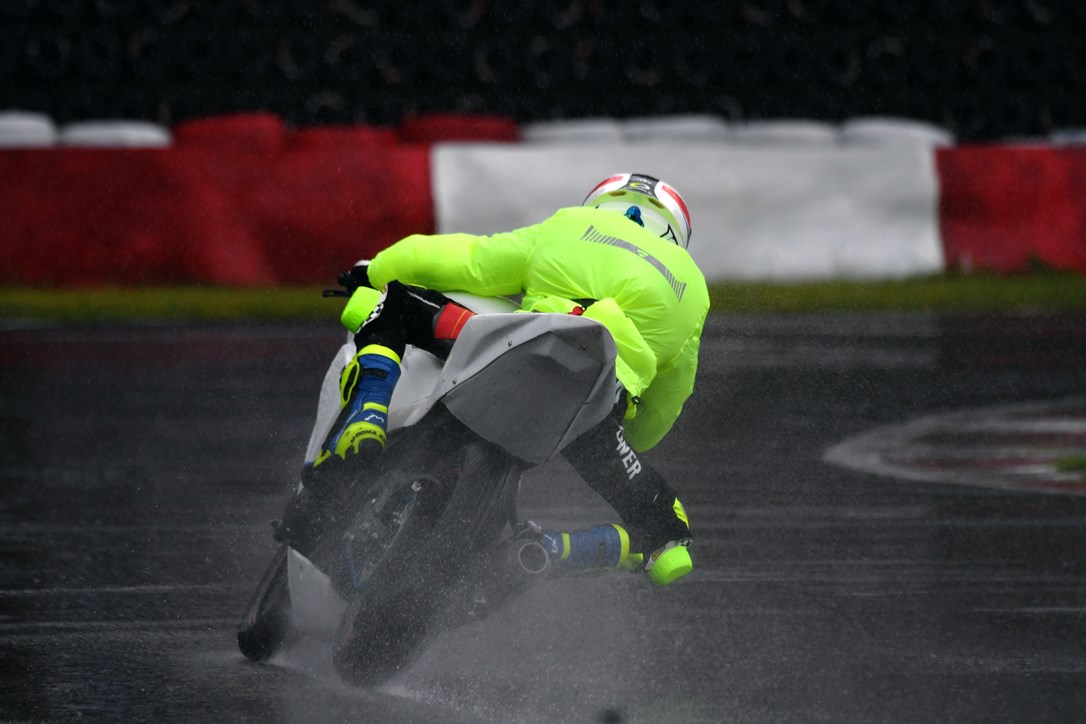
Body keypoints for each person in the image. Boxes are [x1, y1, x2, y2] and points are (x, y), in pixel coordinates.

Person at [296, 173, 709, 587]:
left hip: (521, 348)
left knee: (394, 302)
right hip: (597, 402)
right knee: (668, 528)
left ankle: (369, 409)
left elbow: (470, 260)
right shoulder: (693, 290)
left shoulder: (572, 224)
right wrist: (629, 436)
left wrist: (376, 270)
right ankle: (556, 550)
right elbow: (671, 396)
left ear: (602, 204)